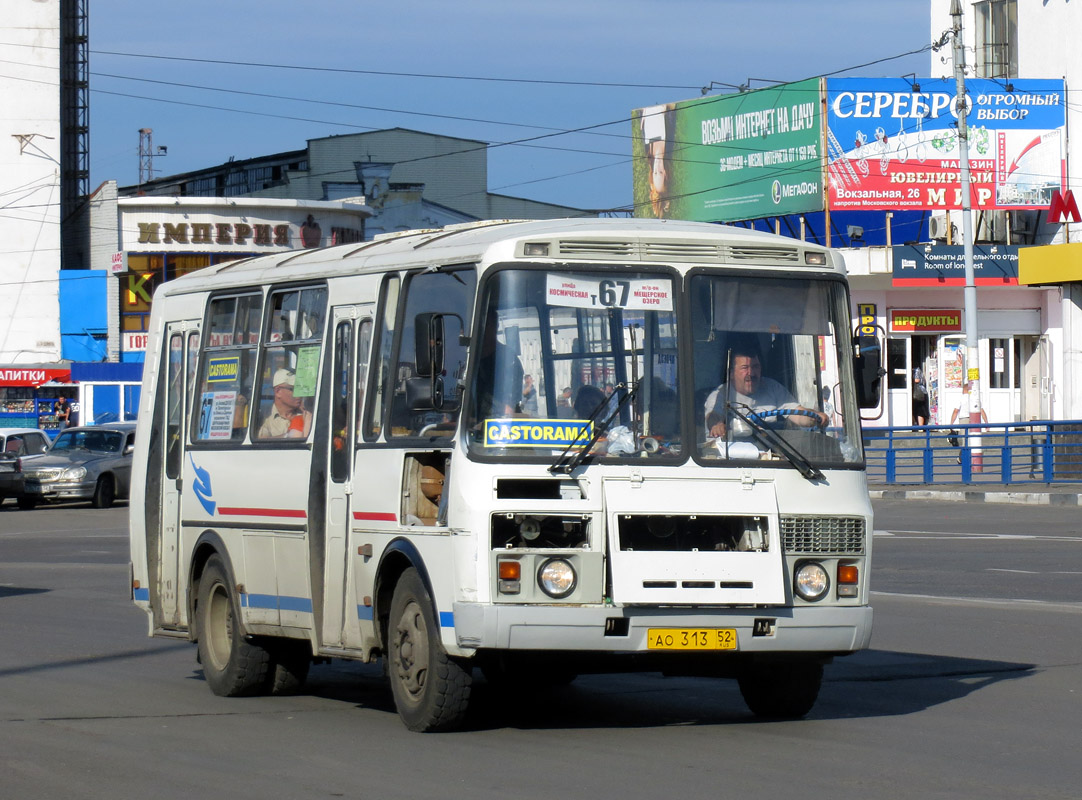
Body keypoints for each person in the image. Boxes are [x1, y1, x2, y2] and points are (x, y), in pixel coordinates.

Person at [704, 341, 828, 438]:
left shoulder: (773, 388)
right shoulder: (719, 394)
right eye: (744, 367)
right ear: (731, 373)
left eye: (755, 367)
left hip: (769, 457)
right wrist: (718, 426)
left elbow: (796, 413)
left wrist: (814, 418)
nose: (751, 373)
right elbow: (713, 417)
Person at [258, 368, 312, 438]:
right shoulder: (265, 418)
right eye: (294, 389)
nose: (299, 393)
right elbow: (261, 444)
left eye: (301, 389)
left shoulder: (307, 413)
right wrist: (288, 436)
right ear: (278, 391)